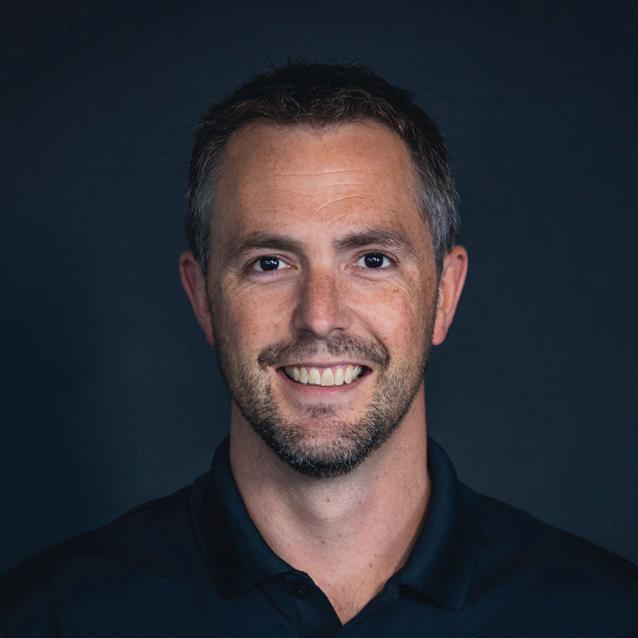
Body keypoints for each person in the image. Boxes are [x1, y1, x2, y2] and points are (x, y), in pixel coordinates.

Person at [1, 62, 636, 637]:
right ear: (203, 298)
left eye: (372, 259)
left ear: (444, 294)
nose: (320, 317)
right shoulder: (52, 617)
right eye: (270, 262)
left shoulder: (602, 616)